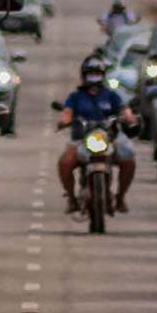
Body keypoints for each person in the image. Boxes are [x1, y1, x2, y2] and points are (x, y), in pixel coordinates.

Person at [57, 55, 138, 214]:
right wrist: (64, 120)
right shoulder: (76, 97)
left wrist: (129, 117)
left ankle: (120, 197)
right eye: (90, 74)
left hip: (108, 138)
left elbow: (124, 109)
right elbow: (67, 112)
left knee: (129, 159)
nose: (94, 78)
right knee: (64, 163)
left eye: (97, 74)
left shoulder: (110, 95)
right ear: (84, 76)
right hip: (81, 139)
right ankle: (72, 199)